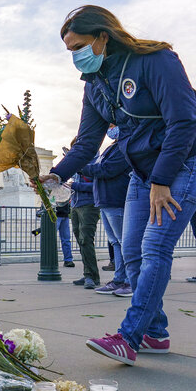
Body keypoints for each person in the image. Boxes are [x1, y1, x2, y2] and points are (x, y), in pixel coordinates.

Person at [40, 5, 196, 365]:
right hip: (144, 169)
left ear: (103, 36)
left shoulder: (155, 60)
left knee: (154, 247)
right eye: (70, 51)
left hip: (186, 159)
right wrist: (56, 174)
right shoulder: (95, 85)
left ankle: (130, 336)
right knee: (131, 252)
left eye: (79, 47)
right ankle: (156, 332)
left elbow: (183, 122)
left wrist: (162, 180)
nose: (75, 57)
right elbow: (87, 143)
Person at [81, 127, 132, 297]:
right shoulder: (112, 147)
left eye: (112, 126)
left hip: (115, 199)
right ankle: (119, 279)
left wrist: (81, 166)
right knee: (117, 242)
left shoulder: (124, 147)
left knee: (124, 242)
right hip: (106, 201)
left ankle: (129, 281)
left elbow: (106, 169)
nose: (110, 129)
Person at [70, 165, 100, 289]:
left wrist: (75, 186)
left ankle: (91, 276)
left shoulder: (94, 165)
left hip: (89, 205)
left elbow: (97, 186)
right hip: (75, 205)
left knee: (85, 239)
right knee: (81, 241)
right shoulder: (75, 168)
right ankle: (89, 273)